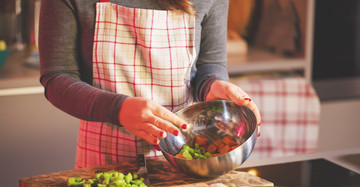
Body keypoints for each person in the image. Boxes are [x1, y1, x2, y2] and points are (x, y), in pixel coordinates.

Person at [38, 0, 261, 169]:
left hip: (186, 161)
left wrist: (214, 85)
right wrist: (119, 109)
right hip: (104, 163)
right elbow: (57, 76)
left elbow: (208, 64)